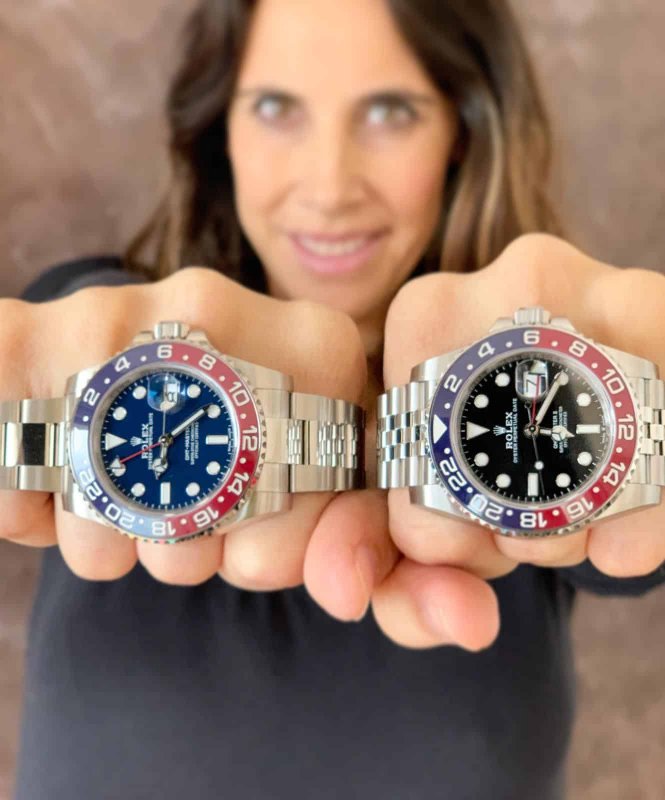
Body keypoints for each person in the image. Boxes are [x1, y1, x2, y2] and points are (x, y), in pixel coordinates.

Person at [9, 1, 664, 798]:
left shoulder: (580, 390)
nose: (328, 186)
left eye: (389, 111)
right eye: (275, 107)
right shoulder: (88, 336)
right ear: (221, 129)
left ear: (463, 131)